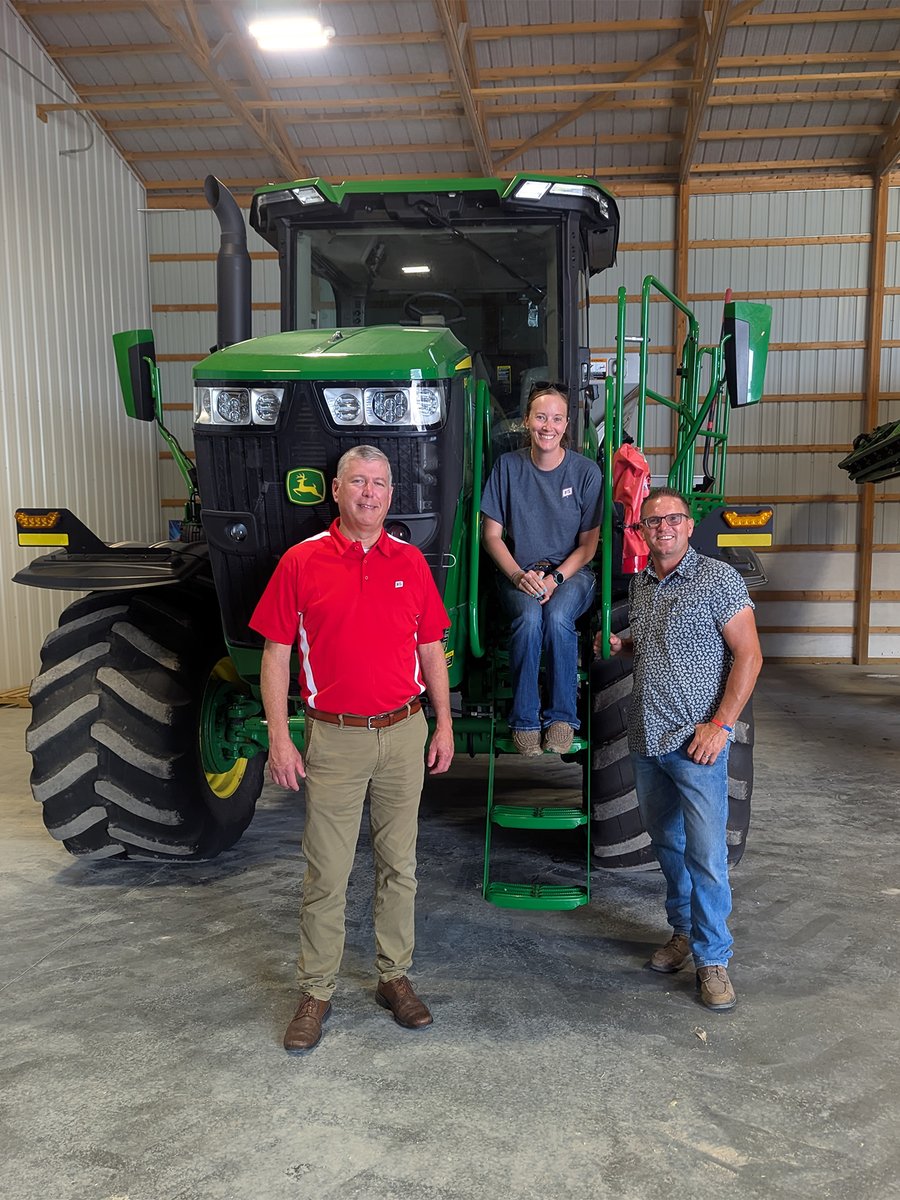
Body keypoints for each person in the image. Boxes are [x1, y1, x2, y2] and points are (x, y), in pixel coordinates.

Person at [250, 445, 454, 1054]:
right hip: (333, 738)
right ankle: (316, 989)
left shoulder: (411, 562)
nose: (370, 493)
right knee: (328, 870)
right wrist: (280, 735)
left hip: (403, 731)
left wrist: (442, 724)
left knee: (400, 864)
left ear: (393, 495)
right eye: (358, 482)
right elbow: (276, 654)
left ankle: (394, 977)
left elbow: (431, 650)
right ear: (335, 491)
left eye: (381, 484)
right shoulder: (300, 562)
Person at [601, 486, 762, 1011]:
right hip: (647, 741)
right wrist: (623, 646)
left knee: (708, 855)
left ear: (689, 526)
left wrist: (720, 725)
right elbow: (658, 646)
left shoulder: (718, 579)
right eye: (652, 521)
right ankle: (682, 932)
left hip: (697, 746)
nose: (663, 527)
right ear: (642, 532)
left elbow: (750, 657)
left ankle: (713, 959)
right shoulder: (643, 586)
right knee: (667, 846)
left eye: (672, 519)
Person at [481, 381, 602, 756]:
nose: (548, 426)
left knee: (558, 616)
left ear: (567, 425)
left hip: (571, 573)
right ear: (526, 421)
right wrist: (518, 575)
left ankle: (562, 717)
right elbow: (492, 537)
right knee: (530, 618)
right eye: (540, 417)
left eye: (557, 419)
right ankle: (525, 720)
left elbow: (588, 546)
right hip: (519, 571)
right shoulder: (507, 467)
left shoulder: (585, 473)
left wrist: (556, 579)